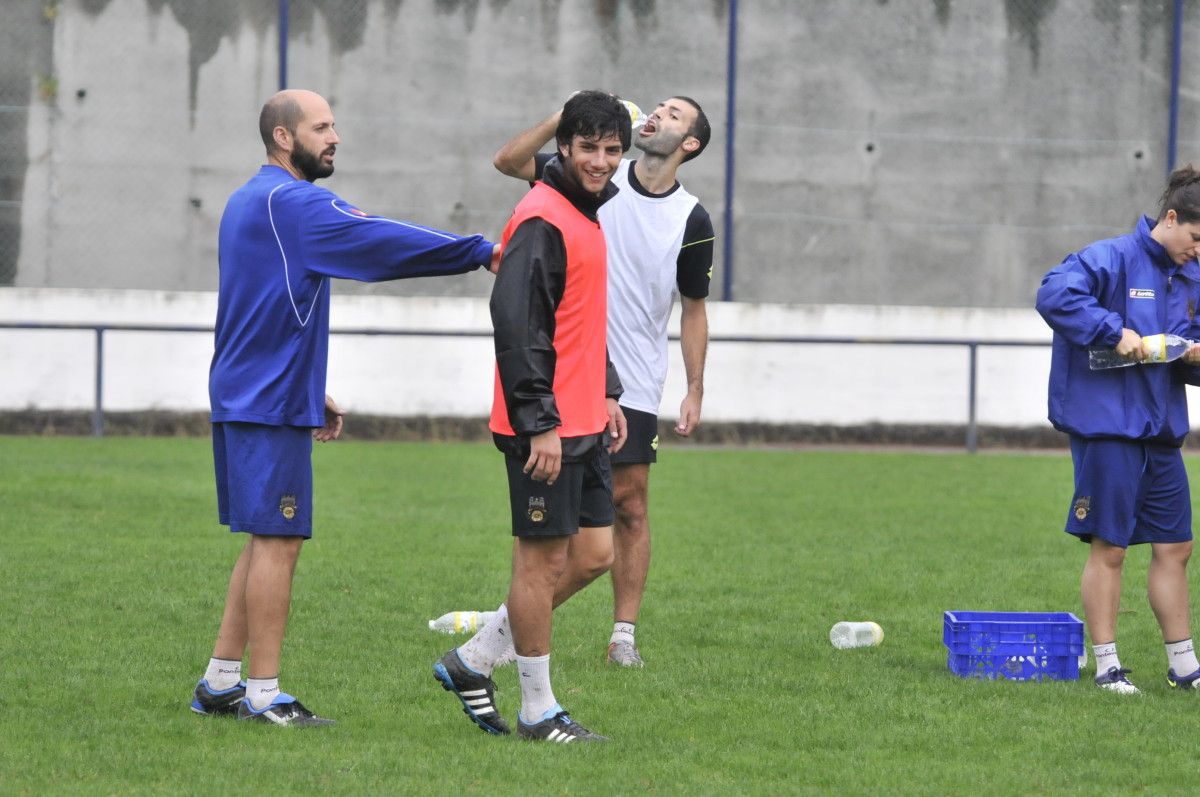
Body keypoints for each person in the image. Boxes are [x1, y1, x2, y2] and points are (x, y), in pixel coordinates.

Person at [190, 89, 498, 727]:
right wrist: (478, 250)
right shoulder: (297, 202)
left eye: (335, 125)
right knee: (280, 539)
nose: (335, 137)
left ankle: (220, 682)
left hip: (254, 391)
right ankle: (265, 694)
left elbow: (264, 302)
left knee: (263, 538)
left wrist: (309, 387)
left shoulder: (248, 199)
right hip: (267, 399)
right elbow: (379, 242)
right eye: (321, 127)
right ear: (283, 137)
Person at [454, 94, 713, 668]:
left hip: (630, 381)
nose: (659, 114)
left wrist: (694, 386)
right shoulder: (590, 175)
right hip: (563, 373)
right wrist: (568, 114)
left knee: (627, 509)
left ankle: (618, 633)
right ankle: (509, 645)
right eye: (660, 106)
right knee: (554, 536)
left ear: (690, 144)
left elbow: (694, 306)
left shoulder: (689, 217)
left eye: (675, 115)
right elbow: (508, 161)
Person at [433, 90, 630, 742]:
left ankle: (474, 658)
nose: (601, 160)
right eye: (589, 147)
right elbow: (517, 325)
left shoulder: (588, 210)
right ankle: (538, 711)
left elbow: (578, 319)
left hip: (585, 418)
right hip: (545, 425)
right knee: (539, 566)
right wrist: (538, 420)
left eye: (612, 149)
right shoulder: (543, 216)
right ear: (565, 147)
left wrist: (606, 390)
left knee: (596, 553)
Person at [1035, 164, 1200, 695]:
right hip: (1108, 430)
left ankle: (1184, 666)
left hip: (1162, 433)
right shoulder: (1109, 258)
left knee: (1176, 547)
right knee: (1111, 548)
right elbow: (1054, 296)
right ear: (1171, 218)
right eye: (1196, 238)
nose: (1198, 250)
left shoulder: (1191, 279)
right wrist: (1113, 330)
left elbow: (1186, 355)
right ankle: (1108, 666)